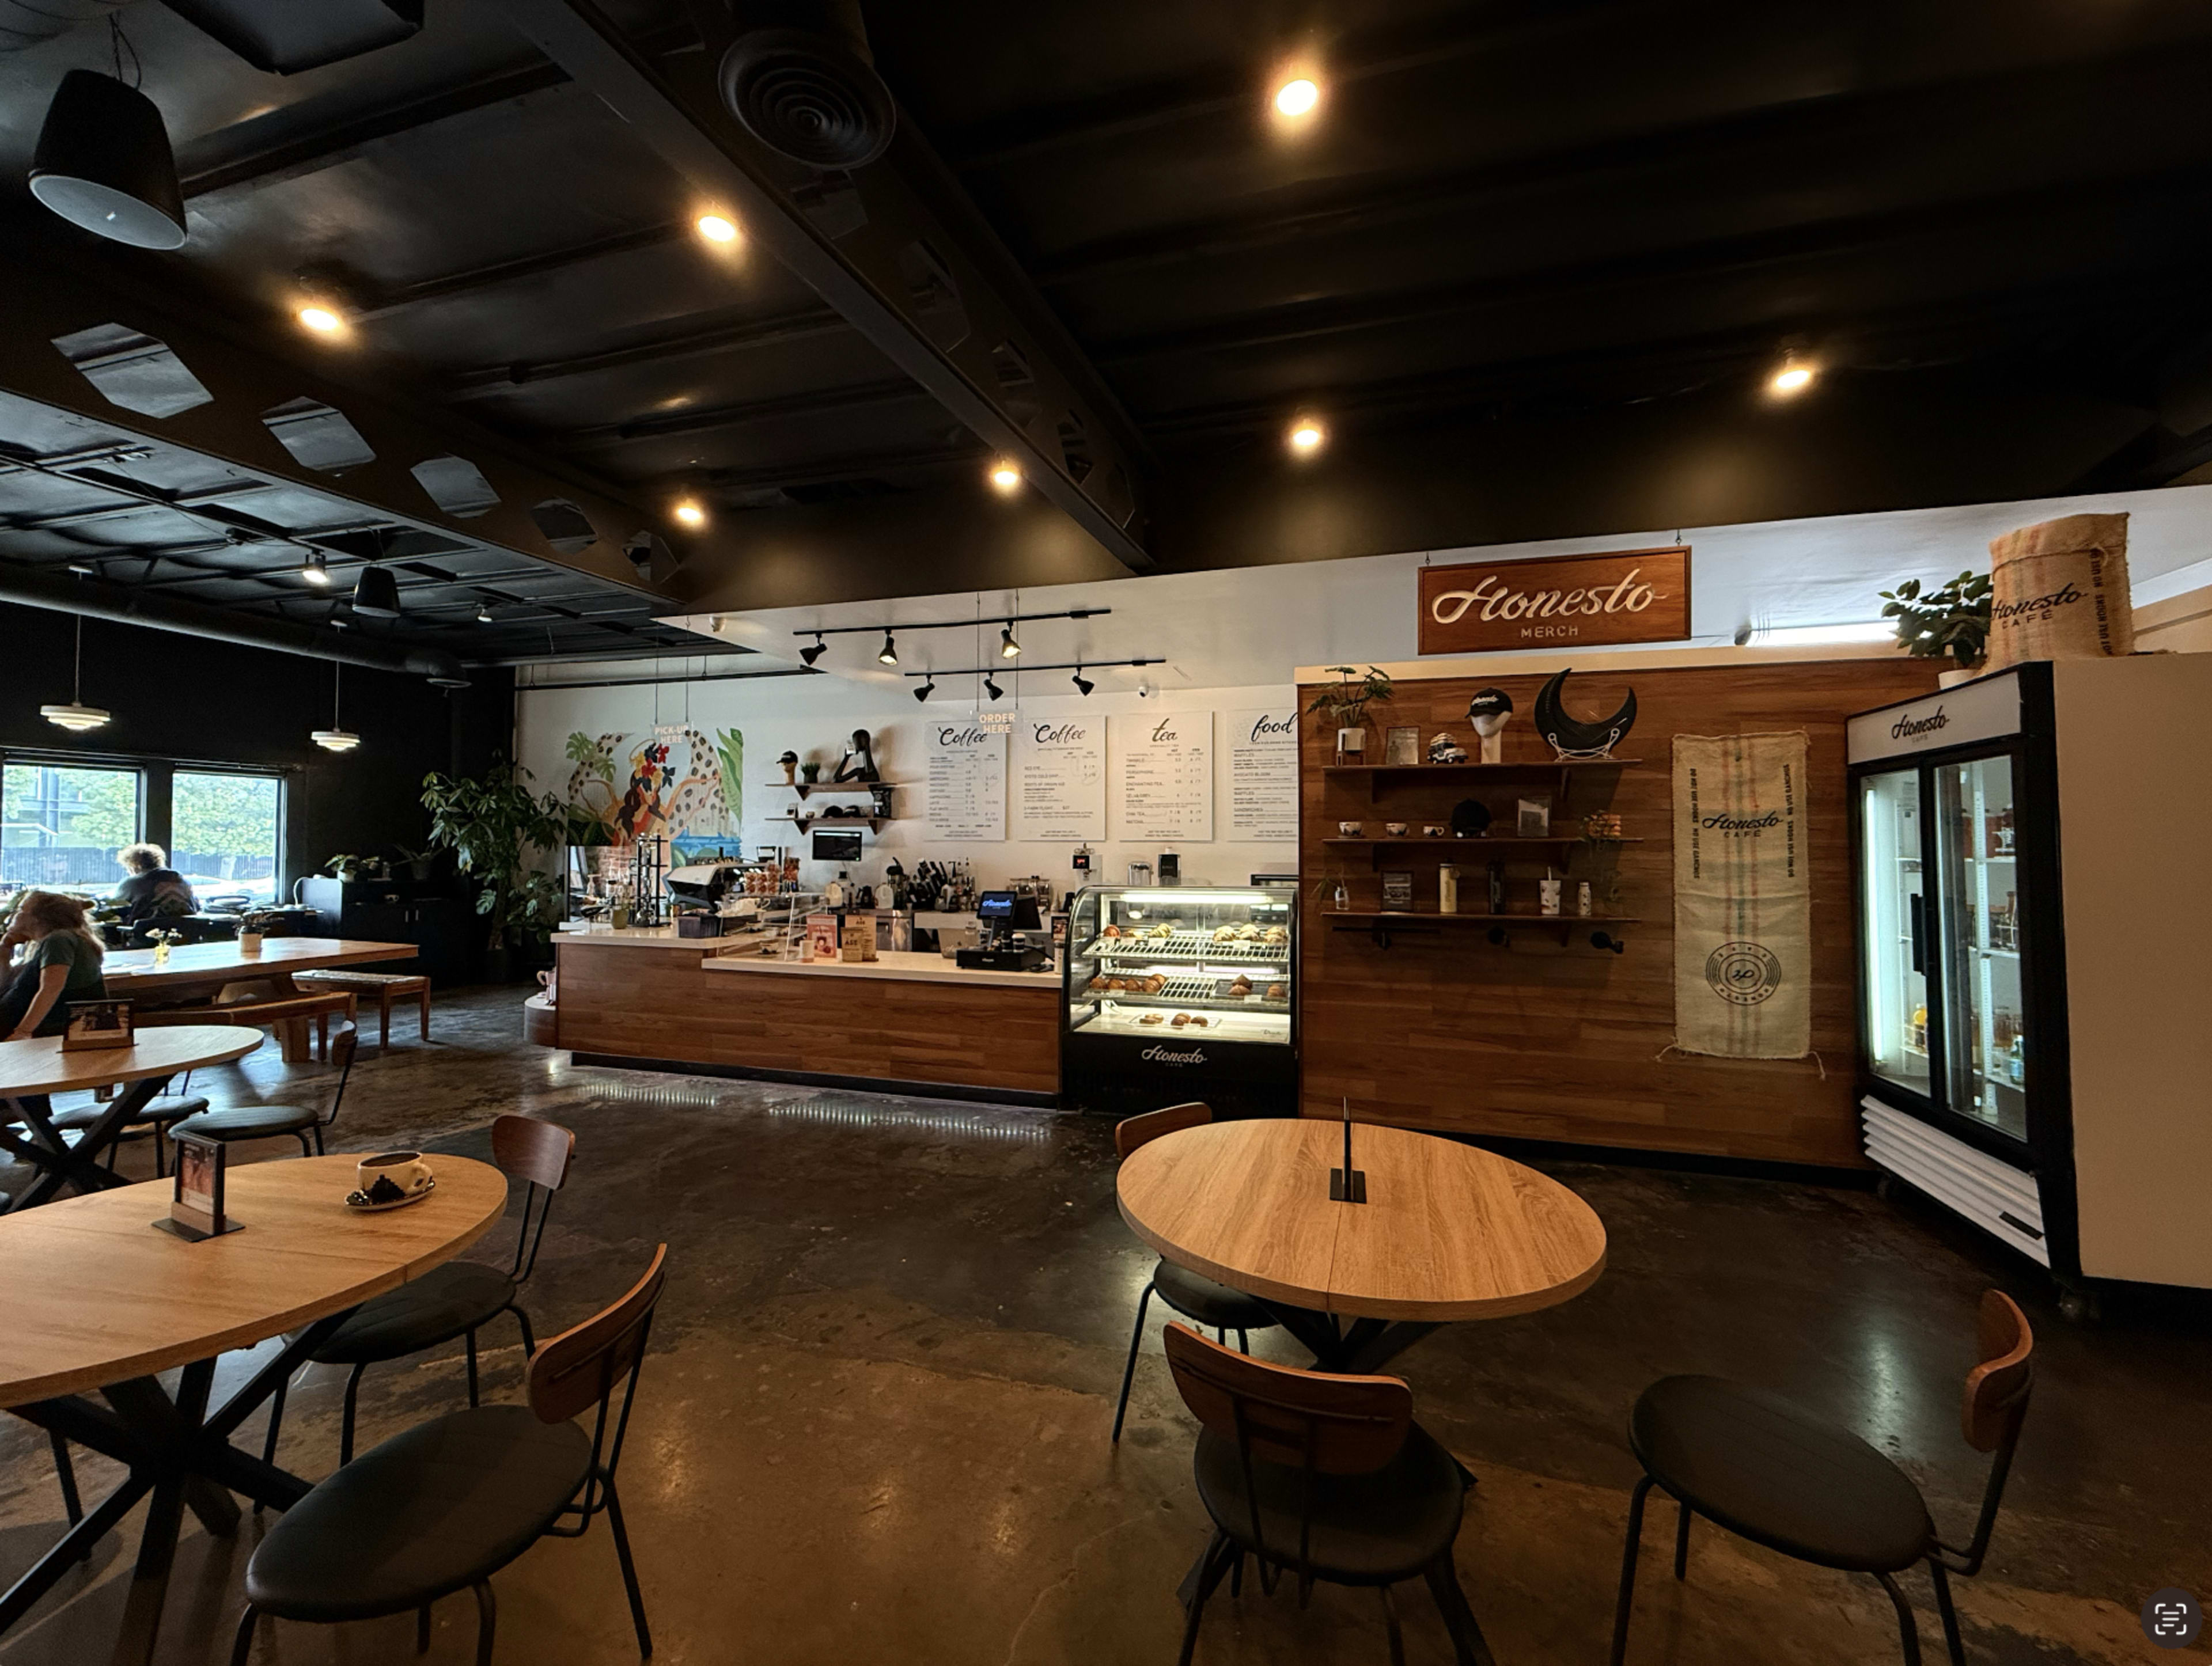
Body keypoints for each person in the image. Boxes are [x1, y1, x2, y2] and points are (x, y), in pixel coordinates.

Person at [1, 890, 108, 1041]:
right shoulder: (48, 944)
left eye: (21, 910)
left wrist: (23, 1032)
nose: (14, 915)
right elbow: (6, 987)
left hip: (45, 1034)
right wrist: (4, 953)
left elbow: (51, 988)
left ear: (37, 919)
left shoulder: (59, 940)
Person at [113, 843, 196, 926]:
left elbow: (115, 907)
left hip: (145, 934)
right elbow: (196, 908)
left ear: (135, 866)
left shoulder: (132, 883)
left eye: (128, 868)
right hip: (185, 934)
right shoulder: (184, 883)